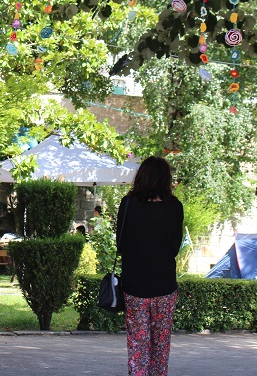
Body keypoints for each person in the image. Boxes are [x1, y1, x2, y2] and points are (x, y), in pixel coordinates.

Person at [116, 156, 184, 376]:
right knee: (161, 345)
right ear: (165, 179)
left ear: (141, 177)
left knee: (137, 343)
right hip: (164, 285)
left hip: (134, 285)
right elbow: (175, 246)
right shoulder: (174, 207)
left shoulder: (127, 205)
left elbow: (120, 243)